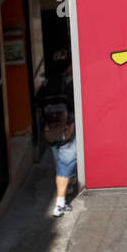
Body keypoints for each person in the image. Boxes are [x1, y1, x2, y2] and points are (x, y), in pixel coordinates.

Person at [42, 82, 77, 217]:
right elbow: (74, 109)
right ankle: (60, 204)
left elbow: (38, 107)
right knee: (64, 167)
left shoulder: (44, 88)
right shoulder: (68, 86)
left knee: (61, 163)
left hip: (52, 133)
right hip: (66, 132)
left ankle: (69, 182)